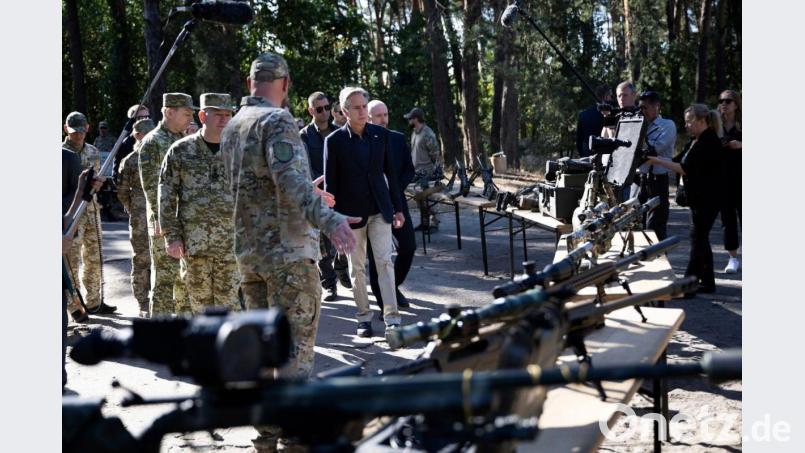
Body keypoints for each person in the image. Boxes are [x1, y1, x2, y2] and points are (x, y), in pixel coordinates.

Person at [220, 52, 358, 453]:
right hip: (287, 257)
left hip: (249, 255)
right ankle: (295, 441)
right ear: (286, 83)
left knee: (263, 353)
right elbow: (287, 180)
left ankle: (265, 440)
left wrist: (307, 193)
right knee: (294, 355)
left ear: (250, 83)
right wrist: (331, 220)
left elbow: (257, 186)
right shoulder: (276, 120)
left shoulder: (233, 126)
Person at [325, 87, 405, 339]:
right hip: (351, 216)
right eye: (357, 107)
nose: (362, 111)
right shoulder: (334, 141)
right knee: (356, 268)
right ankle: (363, 319)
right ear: (345, 111)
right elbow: (331, 185)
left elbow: (391, 175)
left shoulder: (380, 135)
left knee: (384, 263)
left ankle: (392, 318)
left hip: (380, 211)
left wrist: (398, 209)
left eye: (364, 106)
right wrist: (334, 221)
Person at [159, 94, 240, 313]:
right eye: (218, 115)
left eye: (228, 115)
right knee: (200, 308)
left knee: (230, 307)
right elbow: (166, 196)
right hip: (195, 247)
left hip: (231, 246)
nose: (224, 120)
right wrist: (172, 237)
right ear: (203, 116)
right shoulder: (181, 151)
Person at [646, 104, 723, 296]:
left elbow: (683, 168)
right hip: (699, 198)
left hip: (708, 199)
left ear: (701, 121)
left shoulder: (709, 141)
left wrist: (655, 161)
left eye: (689, 121)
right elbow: (678, 160)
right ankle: (708, 282)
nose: (686, 125)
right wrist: (654, 156)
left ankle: (688, 285)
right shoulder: (695, 141)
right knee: (701, 239)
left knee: (698, 239)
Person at [138, 93, 196, 315]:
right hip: (164, 225)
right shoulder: (153, 142)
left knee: (184, 281)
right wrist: (164, 223)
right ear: (169, 112)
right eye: (186, 114)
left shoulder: (182, 139)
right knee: (164, 282)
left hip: (185, 222)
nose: (190, 119)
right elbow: (151, 188)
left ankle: (182, 332)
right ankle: (158, 338)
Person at [62, 111, 116, 314]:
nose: (78, 135)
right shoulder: (61, 153)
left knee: (95, 257)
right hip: (71, 213)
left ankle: (94, 301)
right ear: (66, 129)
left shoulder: (93, 151)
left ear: (88, 128)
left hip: (92, 211)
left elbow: (98, 177)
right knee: (72, 261)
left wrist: (99, 183)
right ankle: (73, 306)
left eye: (81, 131)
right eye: (74, 131)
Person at [300, 91, 351, 301]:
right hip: (317, 194)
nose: (325, 112)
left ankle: (340, 265)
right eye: (319, 109)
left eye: (327, 108)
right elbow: (304, 166)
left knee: (342, 237)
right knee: (322, 244)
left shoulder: (339, 132)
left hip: (338, 193)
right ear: (311, 110)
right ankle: (329, 284)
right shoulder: (303, 136)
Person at [367, 99, 415, 312]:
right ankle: (383, 303)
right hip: (370, 205)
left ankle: (393, 287)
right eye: (378, 115)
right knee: (376, 256)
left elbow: (408, 169)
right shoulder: (361, 140)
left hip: (397, 202)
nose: (383, 119)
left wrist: (394, 190)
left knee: (408, 247)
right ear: (369, 117)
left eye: (385, 115)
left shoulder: (397, 139)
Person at [116, 119, 155, 317]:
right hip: (146, 215)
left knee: (142, 260)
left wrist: (132, 207)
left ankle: (145, 303)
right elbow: (121, 191)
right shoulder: (134, 159)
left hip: (142, 214)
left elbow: (122, 192)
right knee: (145, 259)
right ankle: (145, 302)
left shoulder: (131, 159)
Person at [630, 90, 677, 240]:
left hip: (658, 181)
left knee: (655, 229)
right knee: (639, 227)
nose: (642, 111)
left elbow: (653, 151)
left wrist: (639, 149)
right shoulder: (638, 124)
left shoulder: (667, 125)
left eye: (646, 107)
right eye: (640, 108)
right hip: (641, 181)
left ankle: (660, 261)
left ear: (657, 106)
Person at [405, 107, 443, 232]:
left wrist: (434, 173)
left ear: (416, 119)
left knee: (430, 199)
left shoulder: (428, 133)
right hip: (417, 172)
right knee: (420, 199)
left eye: (410, 118)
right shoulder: (415, 132)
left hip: (428, 172)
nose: (408, 121)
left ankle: (434, 223)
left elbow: (435, 155)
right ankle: (424, 222)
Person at [718, 89, 742, 274]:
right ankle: (733, 258)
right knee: (728, 221)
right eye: (722, 101)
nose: (724, 104)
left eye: (728, 101)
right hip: (724, 179)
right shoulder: (715, 125)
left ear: (736, 104)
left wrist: (741, 145)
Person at [114, 104, 150, 179]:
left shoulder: (156, 139)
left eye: (147, 117)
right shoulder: (124, 144)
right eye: (140, 118)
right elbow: (117, 174)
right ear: (132, 121)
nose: (144, 120)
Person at [576, 84, 611, 157]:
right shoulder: (610, 114)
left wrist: (583, 156)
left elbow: (579, 141)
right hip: (604, 156)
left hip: (587, 156)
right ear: (605, 96)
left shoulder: (583, 114)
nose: (611, 98)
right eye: (610, 96)